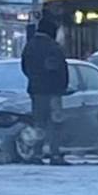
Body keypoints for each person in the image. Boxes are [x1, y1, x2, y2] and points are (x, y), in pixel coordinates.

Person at [20, 15, 69, 165]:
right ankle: (55, 154)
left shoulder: (30, 46)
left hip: (36, 91)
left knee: (39, 124)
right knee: (55, 123)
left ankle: (37, 153)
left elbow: (24, 67)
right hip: (53, 91)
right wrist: (62, 87)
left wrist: (34, 80)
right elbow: (60, 70)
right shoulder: (53, 48)